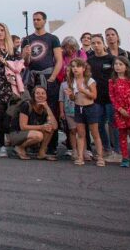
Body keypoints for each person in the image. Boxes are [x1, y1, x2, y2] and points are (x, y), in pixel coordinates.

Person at [19, 11, 62, 160]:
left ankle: (51, 146)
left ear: (44, 21)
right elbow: (25, 63)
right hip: (33, 77)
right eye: (34, 20)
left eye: (38, 19)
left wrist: (52, 78)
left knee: (50, 109)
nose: (36, 22)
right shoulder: (27, 39)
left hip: (48, 76)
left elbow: (59, 60)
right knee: (33, 109)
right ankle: (34, 145)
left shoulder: (52, 39)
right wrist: (26, 53)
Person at [86, 34, 120, 163]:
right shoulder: (90, 60)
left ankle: (117, 151)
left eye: (98, 43)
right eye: (93, 43)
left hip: (111, 97)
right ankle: (106, 148)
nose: (96, 45)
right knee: (99, 124)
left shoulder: (112, 59)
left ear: (103, 43)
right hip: (97, 98)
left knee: (113, 124)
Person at [65, 58, 104, 167]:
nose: (75, 69)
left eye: (77, 66)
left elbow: (94, 96)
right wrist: (70, 95)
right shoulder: (72, 81)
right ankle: (80, 156)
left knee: (95, 133)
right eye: (73, 66)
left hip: (90, 107)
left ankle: (100, 157)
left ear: (83, 68)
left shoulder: (89, 80)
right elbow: (73, 98)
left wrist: (83, 90)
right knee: (80, 134)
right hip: (78, 108)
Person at [8, 85, 57, 160]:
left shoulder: (45, 107)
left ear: (46, 96)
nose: (40, 95)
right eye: (37, 93)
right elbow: (23, 127)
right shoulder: (26, 105)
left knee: (50, 127)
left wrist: (47, 108)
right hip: (16, 133)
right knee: (39, 135)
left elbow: (55, 126)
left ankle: (42, 152)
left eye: (43, 93)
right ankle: (19, 148)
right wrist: (42, 127)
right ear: (33, 95)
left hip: (31, 132)